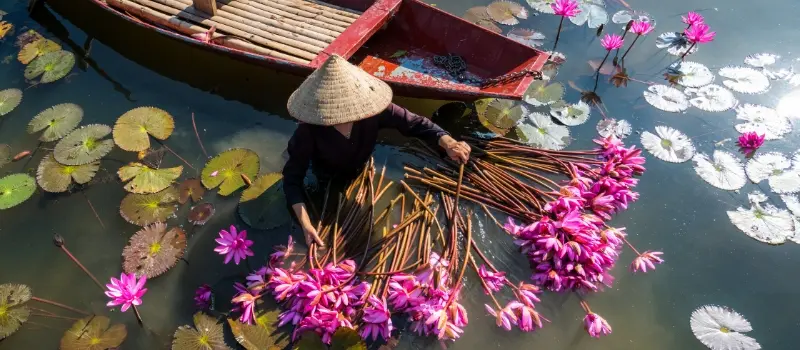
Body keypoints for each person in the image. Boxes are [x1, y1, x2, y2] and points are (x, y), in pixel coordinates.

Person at [282, 54, 471, 247]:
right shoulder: (308, 132)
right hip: (325, 174)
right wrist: (306, 224)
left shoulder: (373, 111)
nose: (345, 116)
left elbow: (414, 123)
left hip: (360, 165)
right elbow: (291, 180)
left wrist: (448, 142)